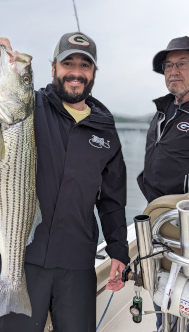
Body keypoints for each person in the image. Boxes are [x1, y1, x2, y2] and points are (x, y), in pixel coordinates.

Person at [0, 31, 130, 332]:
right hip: (24, 257)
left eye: (84, 66)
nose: (75, 73)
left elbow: (112, 199)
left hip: (78, 264)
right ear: (53, 69)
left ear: (93, 72)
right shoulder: (28, 108)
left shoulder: (106, 131)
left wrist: (118, 251)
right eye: (67, 64)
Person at [137, 36, 189, 332]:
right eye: (169, 66)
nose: (173, 71)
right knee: (163, 298)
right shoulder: (164, 110)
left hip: (185, 227)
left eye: (182, 63)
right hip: (157, 227)